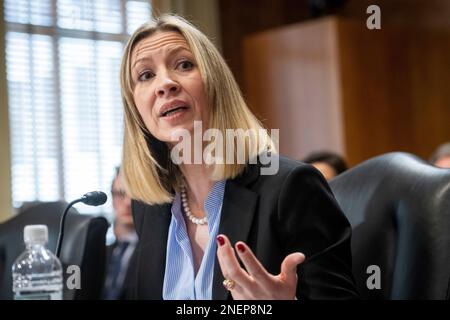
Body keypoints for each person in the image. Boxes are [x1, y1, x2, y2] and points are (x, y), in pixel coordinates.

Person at [120, 14, 358, 300]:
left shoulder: (291, 188)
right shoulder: (148, 206)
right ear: (135, 109)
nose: (165, 83)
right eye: (146, 75)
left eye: (184, 64)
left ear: (216, 84)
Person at [102, 168, 137, 300]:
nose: (128, 202)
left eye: (133, 194)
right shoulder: (103, 251)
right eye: (121, 193)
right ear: (112, 198)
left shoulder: (155, 252)